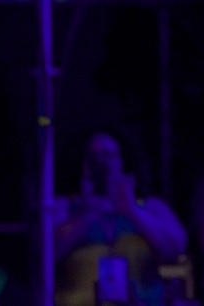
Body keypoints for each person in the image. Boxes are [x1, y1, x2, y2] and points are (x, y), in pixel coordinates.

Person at [53, 130, 188, 306]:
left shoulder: (150, 207)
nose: (102, 162)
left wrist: (131, 210)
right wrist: (87, 213)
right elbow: (46, 252)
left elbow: (176, 248)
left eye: (109, 155)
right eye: (94, 156)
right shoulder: (63, 207)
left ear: (123, 160)